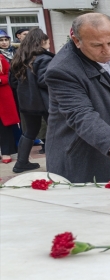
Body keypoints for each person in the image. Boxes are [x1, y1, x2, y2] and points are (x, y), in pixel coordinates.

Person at [45, 13, 110, 183]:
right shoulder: (62, 70)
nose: (108, 51)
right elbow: (80, 114)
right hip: (84, 157)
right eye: (97, 45)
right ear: (76, 41)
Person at [9, 28, 53, 173]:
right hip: (45, 102)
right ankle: (56, 164)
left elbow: (13, 82)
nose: (49, 43)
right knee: (54, 132)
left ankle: (21, 163)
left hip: (27, 102)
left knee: (29, 132)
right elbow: (45, 81)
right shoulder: (44, 58)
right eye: (47, 40)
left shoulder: (19, 58)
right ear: (41, 42)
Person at [0, 54, 19, 164]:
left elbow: (9, 75)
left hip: (2, 95)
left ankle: (7, 151)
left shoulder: (1, 58)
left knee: (4, 126)